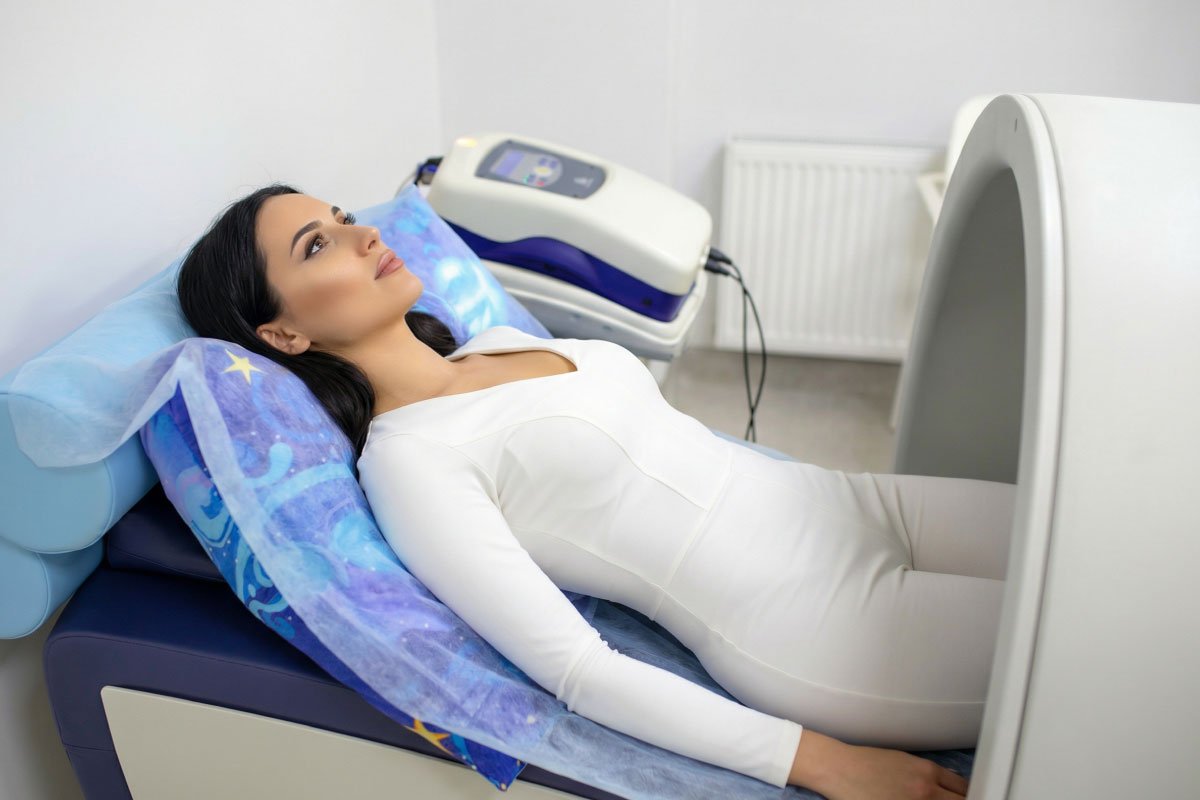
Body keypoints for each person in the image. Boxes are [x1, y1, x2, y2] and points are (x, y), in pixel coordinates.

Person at [177, 183, 1016, 800]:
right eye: (316, 246)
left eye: (343, 217)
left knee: (1092, 541)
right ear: (283, 333)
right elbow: (578, 670)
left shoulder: (494, 342)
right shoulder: (410, 464)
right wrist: (827, 763)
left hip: (859, 505)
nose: (363, 235)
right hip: (822, 624)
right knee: (1095, 648)